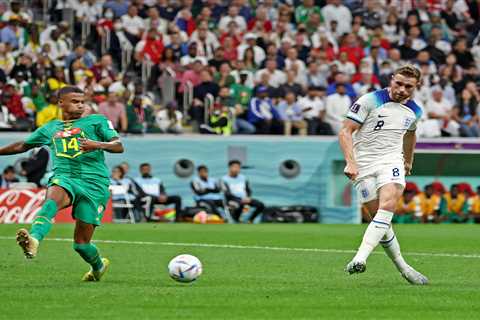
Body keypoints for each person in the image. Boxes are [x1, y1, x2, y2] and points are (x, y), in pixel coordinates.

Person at [3, 86, 124, 282]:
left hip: (94, 184)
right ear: (61, 103)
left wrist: (97, 144)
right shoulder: (51, 128)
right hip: (65, 177)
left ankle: (98, 267)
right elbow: (22, 145)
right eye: (75, 101)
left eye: (82, 101)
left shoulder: (97, 122)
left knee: (81, 245)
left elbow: (118, 145)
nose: (80, 105)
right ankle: (34, 239)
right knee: (51, 200)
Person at [339, 65, 428, 285]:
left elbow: (410, 134)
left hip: (391, 160)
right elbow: (345, 131)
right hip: (363, 164)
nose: (401, 89)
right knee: (381, 222)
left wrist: (408, 160)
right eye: (398, 83)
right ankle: (404, 268)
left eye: (408, 86)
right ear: (391, 80)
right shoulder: (369, 101)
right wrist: (351, 161)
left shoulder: (415, 110)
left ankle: (360, 258)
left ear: (416, 87)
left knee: (387, 207)